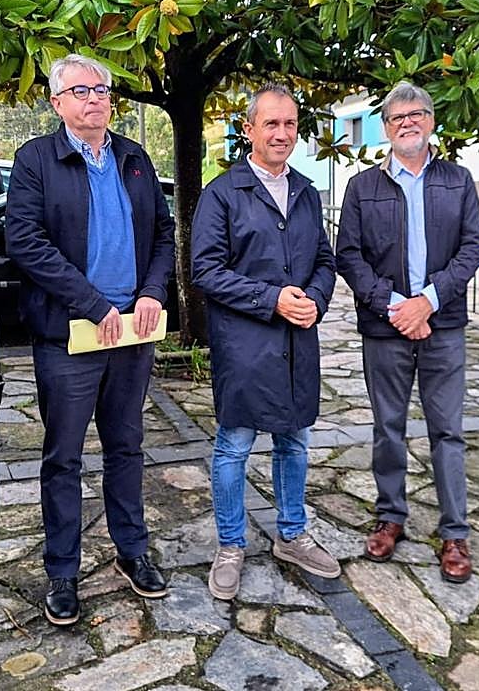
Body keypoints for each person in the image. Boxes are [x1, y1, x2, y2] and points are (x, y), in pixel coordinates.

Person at [3, 54, 175, 625]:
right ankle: (63, 572)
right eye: (80, 90)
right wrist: (92, 303)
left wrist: (152, 292)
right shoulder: (35, 161)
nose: (95, 98)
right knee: (64, 457)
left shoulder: (133, 158)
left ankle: (132, 551)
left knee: (126, 447)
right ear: (57, 103)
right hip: (70, 334)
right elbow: (25, 242)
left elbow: (163, 234)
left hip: (132, 330)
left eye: (101, 88)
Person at [192, 82, 339, 601]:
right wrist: (272, 298)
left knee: (294, 439)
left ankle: (292, 533)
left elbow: (325, 258)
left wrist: (316, 299)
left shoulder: (305, 191)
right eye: (270, 124)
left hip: (298, 340)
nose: (281, 133)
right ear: (248, 130)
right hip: (246, 342)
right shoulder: (222, 193)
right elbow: (205, 270)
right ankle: (231, 543)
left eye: (290, 124)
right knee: (233, 445)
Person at [335, 82, 479, 583]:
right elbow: (348, 256)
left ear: (431, 120)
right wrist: (396, 305)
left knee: (448, 431)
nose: (407, 123)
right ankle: (391, 516)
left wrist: (429, 301)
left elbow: (470, 249)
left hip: (443, 325)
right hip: (386, 327)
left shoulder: (458, 181)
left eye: (416, 114)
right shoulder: (362, 187)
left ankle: (455, 532)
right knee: (387, 428)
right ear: (385, 128)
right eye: (397, 117)